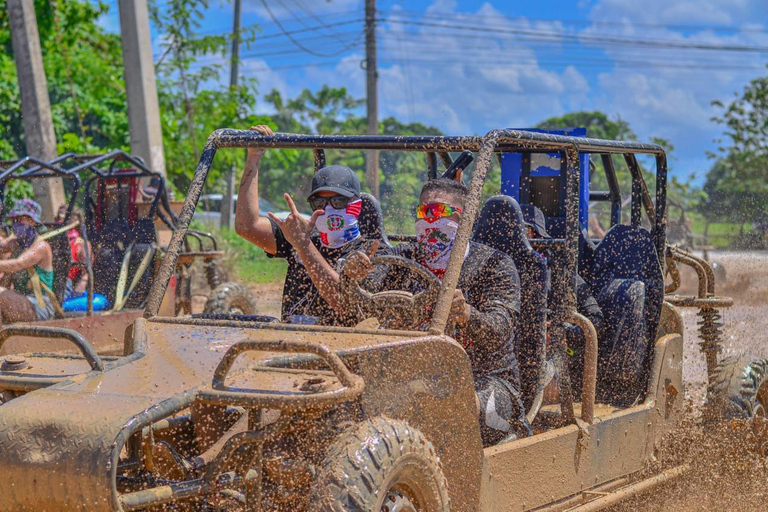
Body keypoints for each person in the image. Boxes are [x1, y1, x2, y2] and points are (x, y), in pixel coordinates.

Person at [341, 178, 531, 445]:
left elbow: (499, 330)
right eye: (422, 211)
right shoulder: (403, 258)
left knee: (439, 406)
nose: (428, 219)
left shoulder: (494, 264)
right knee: (346, 397)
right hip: (408, 377)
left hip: (484, 379)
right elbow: (360, 301)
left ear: (465, 220)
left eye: (438, 211)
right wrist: (352, 275)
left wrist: (467, 314)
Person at [234, 125, 378, 325]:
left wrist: (303, 245)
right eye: (320, 203)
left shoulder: (370, 252)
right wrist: (253, 158)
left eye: (338, 201)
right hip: (290, 340)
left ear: (356, 204)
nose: (329, 209)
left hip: (338, 342)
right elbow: (246, 226)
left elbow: (344, 303)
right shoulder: (302, 237)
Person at [522, 205, 604, 395]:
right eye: (512, 229)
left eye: (524, 230)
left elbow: (596, 320)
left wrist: (563, 332)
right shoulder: (498, 269)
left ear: (539, 237)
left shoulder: (563, 275)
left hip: (556, 356)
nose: (516, 236)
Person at [0, 199, 55, 323]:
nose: (16, 224)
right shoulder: (16, 243)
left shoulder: (41, 246)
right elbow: (1, 245)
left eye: (20, 220)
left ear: (32, 221)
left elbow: (18, 264)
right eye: (14, 220)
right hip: (20, 300)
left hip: (40, 306)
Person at [56, 205, 92, 296]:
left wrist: (79, 289)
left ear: (74, 219)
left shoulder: (81, 244)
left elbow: (86, 273)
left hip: (64, 283)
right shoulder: (52, 238)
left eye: (64, 217)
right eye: (58, 217)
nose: (59, 221)